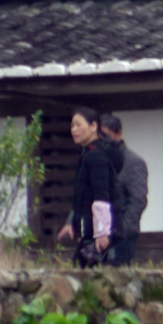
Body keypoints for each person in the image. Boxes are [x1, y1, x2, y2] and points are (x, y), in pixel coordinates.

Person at [54, 107, 123, 268]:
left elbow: (101, 195)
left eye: (78, 125)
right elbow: (83, 196)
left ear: (93, 126)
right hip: (91, 229)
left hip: (100, 232)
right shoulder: (88, 154)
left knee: (83, 276)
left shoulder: (96, 156)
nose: (74, 130)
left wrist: (102, 233)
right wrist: (73, 223)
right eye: (72, 126)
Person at [105, 112, 148, 266]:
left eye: (106, 135)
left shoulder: (133, 162)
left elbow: (138, 199)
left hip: (121, 234)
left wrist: (123, 229)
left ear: (118, 134)